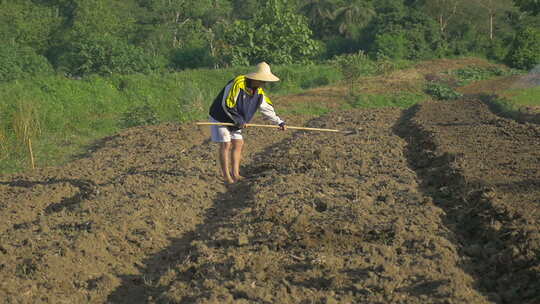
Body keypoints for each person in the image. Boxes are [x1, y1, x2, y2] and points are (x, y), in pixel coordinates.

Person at [208, 61, 286, 184]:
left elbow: (266, 108)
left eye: (264, 81)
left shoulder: (259, 92)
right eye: (261, 80)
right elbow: (227, 104)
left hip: (237, 120)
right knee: (226, 144)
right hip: (221, 116)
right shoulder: (238, 83)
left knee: (238, 143)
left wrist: (279, 122)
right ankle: (226, 176)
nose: (263, 84)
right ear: (255, 78)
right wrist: (238, 120)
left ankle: (236, 174)